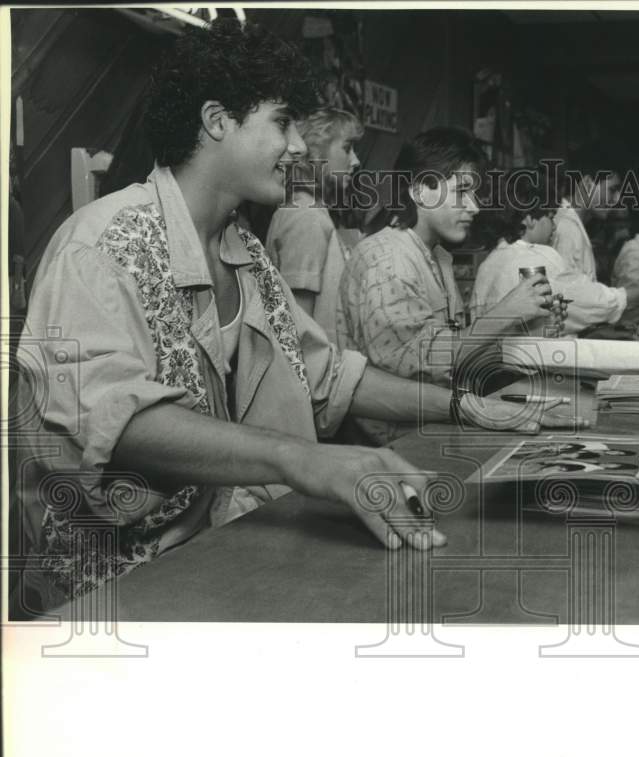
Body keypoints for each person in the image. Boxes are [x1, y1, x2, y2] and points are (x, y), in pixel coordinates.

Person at [13, 20, 583, 614]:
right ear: (216, 121)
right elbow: (116, 422)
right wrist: (303, 458)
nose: (297, 146)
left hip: (209, 556)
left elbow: (327, 374)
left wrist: (463, 407)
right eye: (281, 122)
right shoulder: (101, 244)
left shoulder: (245, 250)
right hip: (102, 590)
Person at [337, 130, 565, 443]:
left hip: (432, 425)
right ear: (420, 191)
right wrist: (504, 314)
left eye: (474, 194)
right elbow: (412, 369)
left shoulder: (437, 255)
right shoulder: (387, 260)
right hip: (390, 445)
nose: (474, 206)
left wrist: (526, 327)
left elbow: (454, 351)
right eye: (461, 192)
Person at [471, 174, 639, 337]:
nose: (554, 224)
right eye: (551, 216)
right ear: (529, 219)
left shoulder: (489, 262)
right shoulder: (539, 254)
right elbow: (595, 302)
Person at [265, 106, 363, 345]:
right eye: (347, 148)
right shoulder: (306, 215)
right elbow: (299, 328)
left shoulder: (310, 209)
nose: (355, 161)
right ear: (317, 151)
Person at [551, 146, 623, 282]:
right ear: (588, 184)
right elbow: (567, 295)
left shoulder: (570, 223)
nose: (616, 199)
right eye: (612, 190)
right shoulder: (566, 228)